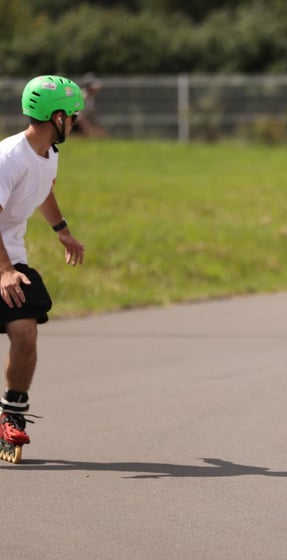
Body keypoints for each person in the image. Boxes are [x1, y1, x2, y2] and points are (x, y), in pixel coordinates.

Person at [0, 75, 86, 463]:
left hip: (9, 256)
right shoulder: (8, 159)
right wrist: (4, 271)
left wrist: (62, 231)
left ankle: (11, 415)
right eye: (73, 115)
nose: (77, 121)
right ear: (56, 116)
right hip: (3, 261)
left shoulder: (49, 152)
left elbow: (44, 189)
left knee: (25, 331)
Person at [73, 72, 105, 137]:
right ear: (88, 86)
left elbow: (92, 114)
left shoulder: (91, 97)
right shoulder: (82, 96)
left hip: (82, 122)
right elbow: (78, 116)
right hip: (75, 124)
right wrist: (88, 130)